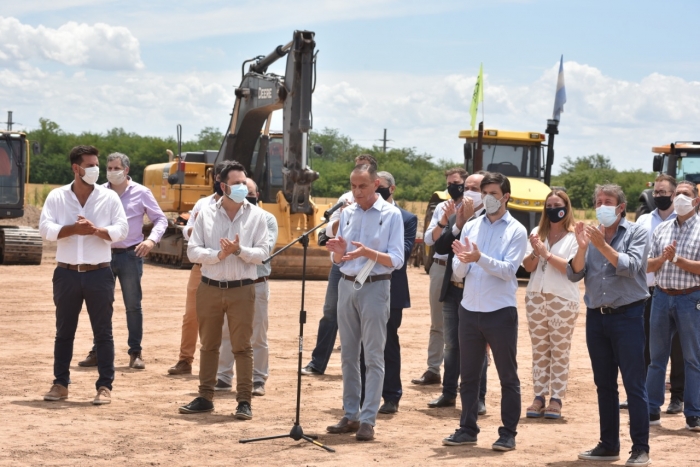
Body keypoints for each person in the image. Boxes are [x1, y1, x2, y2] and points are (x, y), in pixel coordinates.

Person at [442, 172, 527, 452]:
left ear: (506, 197)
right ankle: (467, 428)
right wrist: (464, 261)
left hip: (499, 311)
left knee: (507, 376)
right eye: (485, 192)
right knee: (468, 376)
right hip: (469, 309)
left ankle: (508, 433)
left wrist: (479, 258)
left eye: (493, 193)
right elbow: (457, 269)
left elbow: (507, 271)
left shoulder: (516, 230)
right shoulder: (471, 226)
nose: (488, 198)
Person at [178, 161, 269, 420]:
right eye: (236, 183)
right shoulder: (206, 213)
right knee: (209, 345)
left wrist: (239, 251)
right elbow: (193, 250)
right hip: (209, 287)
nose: (242, 187)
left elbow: (263, 253)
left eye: (244, 182)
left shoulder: (257, 216)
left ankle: (244, 401)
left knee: (243, 347)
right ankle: (205, 397)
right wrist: (219, 254)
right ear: (223, 186)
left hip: (242, 289)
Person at [569, 184, 651, 467]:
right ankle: (608, 445)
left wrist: (601, 245)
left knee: (634, 385)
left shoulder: (637, 231)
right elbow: (574, 273)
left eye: (608, 201)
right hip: (596, 318)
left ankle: (640, 448)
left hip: (628, 316)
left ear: (620, 207)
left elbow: (631, 266)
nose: (602, 206)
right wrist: (582, 249)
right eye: (598, 201)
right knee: (604, 384)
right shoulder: (589, 236)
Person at [39, 145, 128, 405]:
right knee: (64, 331)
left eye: (96, 164)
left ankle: (104, 387)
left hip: (99, 273)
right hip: (66, 273)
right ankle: (60, 384)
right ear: (76, 168)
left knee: (103, 332)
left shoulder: (109, 197)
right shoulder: (57, 197)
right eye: (90, 165)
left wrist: (95, 230)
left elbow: (121, 229)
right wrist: (73, 230)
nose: (95, 170)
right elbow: (46, 228)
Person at [325, 163, 404, 441]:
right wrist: (338, 252)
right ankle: (350, 414)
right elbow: (339, 259)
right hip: (346, 285)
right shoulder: (347, 213)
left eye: (362, 186)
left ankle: (368, 418)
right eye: (353, 186)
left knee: (373, 356)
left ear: (376, 184)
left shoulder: (391, 214)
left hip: (375, 287)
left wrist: (368, 252)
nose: (356, 191)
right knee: (348, 355)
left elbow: (396, 259)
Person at [77, 152, 167, 370]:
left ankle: (135, 353)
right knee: (100, 306)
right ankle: (98, 351)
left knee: (133, 306)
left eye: (116, 168)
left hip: (130, 255)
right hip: (102, 254)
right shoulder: (98, 192)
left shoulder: (141, 193)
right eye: (108, 168)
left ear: (126, 170)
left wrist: (151, 241)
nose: (111, 172)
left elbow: (160, 219)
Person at [301, 154, 378, 376]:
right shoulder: (345, 198)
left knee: (365, 317)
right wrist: (341, 217)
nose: (357, 187)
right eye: (354, 175)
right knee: (330, 312)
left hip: (368, 267)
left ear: (374, 179)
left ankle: (363, 368)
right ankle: (317, 363)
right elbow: (326, 232)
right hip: (341, 266)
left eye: (363, 172)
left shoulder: (383, 203)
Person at [429, 172, 488, 413]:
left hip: (476, 294)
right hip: (453, 290)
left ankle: (478, 398)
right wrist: (459, 223)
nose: (469, 192)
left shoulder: (491, 221)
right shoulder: (457, 216)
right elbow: (440, 247)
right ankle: (448, 393)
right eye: (467, 187)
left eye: (475, 188)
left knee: (478, 349)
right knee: (451, 346)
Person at [359, 171, 417, 414]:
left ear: (391, 188)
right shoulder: (359, 212)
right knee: (363, 345)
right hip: (362, 286)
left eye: (382, 187)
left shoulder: (406, 218)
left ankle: (391, 395)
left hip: (391, 290)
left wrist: (370, 250)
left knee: (388, 343)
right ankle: (363, 396)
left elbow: (400, 253)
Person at [215, 178, 278, 397]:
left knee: (257, 334)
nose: (246, 194)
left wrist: (238, 250)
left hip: (256, 284)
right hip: (229, 284)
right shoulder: (224, 217)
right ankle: (223, 377)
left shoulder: (267, 219)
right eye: (241, 189)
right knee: (226, 332)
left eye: (250, 191)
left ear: (257, 195)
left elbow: (265, 252)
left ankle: (258, 379)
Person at [646, 180, 700, 432]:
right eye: (677, 193)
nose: (679, 198)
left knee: (692, 359)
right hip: (661, 296)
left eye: (685, 194)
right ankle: (651, 408)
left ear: (696, 200)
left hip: (690, 299)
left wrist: (676, 259)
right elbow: (649, 264)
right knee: (656, 358)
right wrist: (661, 259)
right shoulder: (663, 229)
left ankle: (693, 413)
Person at [521, 190, 579, 419]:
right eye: (549, 205)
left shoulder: (575, 236)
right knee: (540, 350)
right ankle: (538, 396)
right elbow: (527, 267)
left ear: (566, 206)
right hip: (536, 296)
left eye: (557, 204)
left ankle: (556, 398)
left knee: (560, 350)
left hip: (562, 299)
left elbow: (572, 268)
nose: (553, 209)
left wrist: (545, 254)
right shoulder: (537, 232)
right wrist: (536, 252)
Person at [412, 167, 469, 386]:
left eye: (455, 182)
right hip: (440, 266)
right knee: (438, 323)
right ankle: (433, 369)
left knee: (465, 324)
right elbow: (429, 239)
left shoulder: (474, 208)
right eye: (449, 183)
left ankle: (463, 373)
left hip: (462, 269)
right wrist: (444, 219)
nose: (451, 187)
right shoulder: (443, 207)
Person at [168, 163, 225, 375]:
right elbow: (187, 231)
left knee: (223, 319)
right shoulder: (203, 203)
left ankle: (221, 366)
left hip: (227, 268)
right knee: (191, 315)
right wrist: (197, 230)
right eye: (218, 177)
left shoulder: (239, 206)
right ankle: (185, 360)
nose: (220, 181)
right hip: (200, 267)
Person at [634, 175, 683, 415]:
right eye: (656, 192)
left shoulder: (684, 221)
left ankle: (677, 396)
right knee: (645, 345)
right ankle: (644, 394)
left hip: (674, 291)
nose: (658, 196)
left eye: (663, 192)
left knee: (677, 348)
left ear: (674, 194)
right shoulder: (644, 220)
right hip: (646, 291)